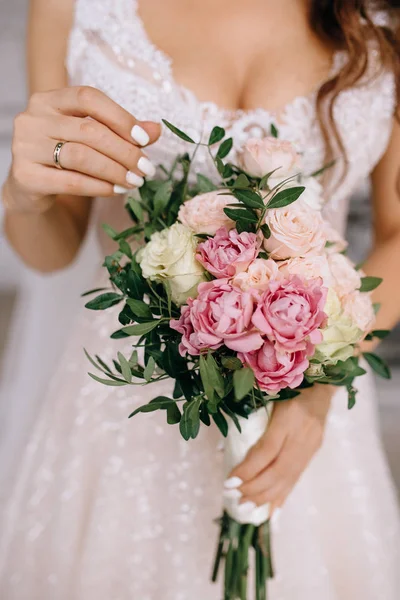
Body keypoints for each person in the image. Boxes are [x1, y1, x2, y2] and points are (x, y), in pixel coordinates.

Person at [1, 0, 400, 598]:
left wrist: (317, 386)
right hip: (125, 408)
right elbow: (52, 250)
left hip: (305, 419)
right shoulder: (73, 6)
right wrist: (25, 194)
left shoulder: (384, 14)